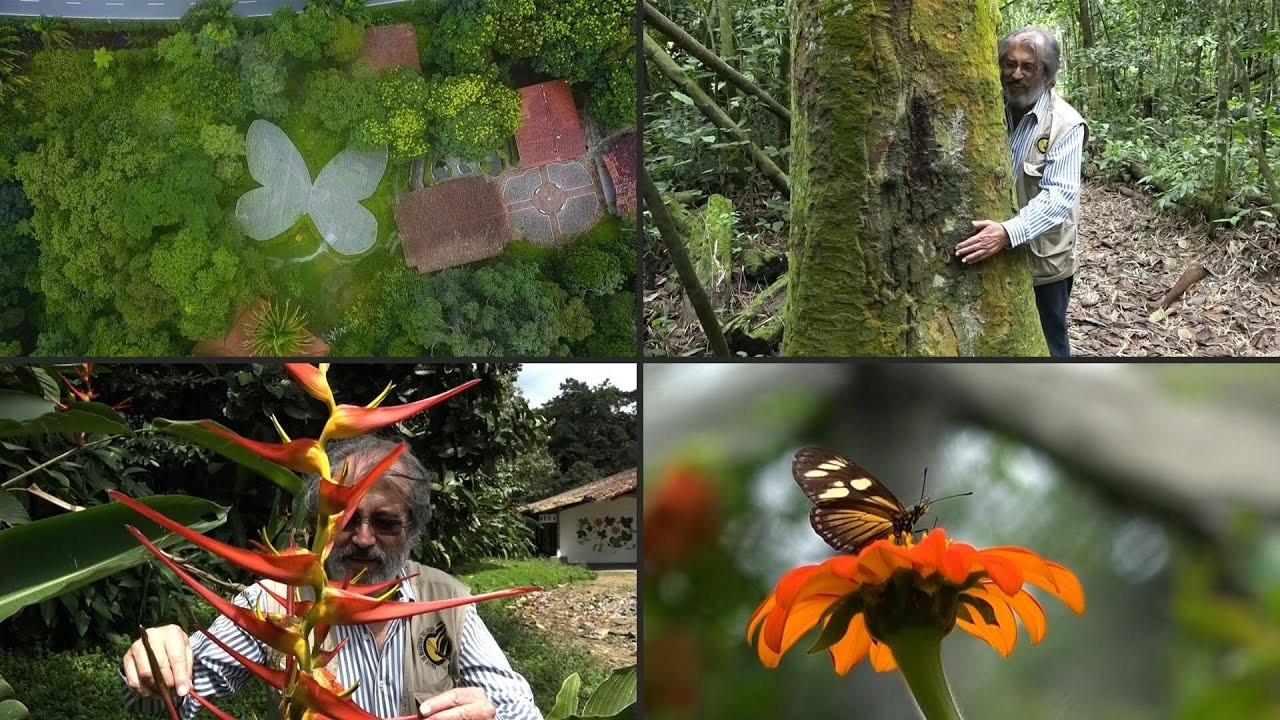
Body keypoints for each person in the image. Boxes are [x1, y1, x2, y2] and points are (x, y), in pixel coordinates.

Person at [120, 436, 541, 720]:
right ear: (319, 524)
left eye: (385, 522)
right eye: (346, 519)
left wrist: (490, 712)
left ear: (411, 529)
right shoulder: (272, 601)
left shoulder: (447, 598)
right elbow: (160, 705)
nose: (362, 539)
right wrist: (156, 665)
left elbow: (523, 709)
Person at [955, 26, 1088, 357]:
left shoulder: (1065, 124)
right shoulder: (985, 107)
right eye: (1009, 64)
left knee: (1049, 344)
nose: (1015, 74)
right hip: (990, 253)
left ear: (1046, 73)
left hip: (1043, 265)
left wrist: (1006, 232)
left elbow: (1060, 196)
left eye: (1027, 66)